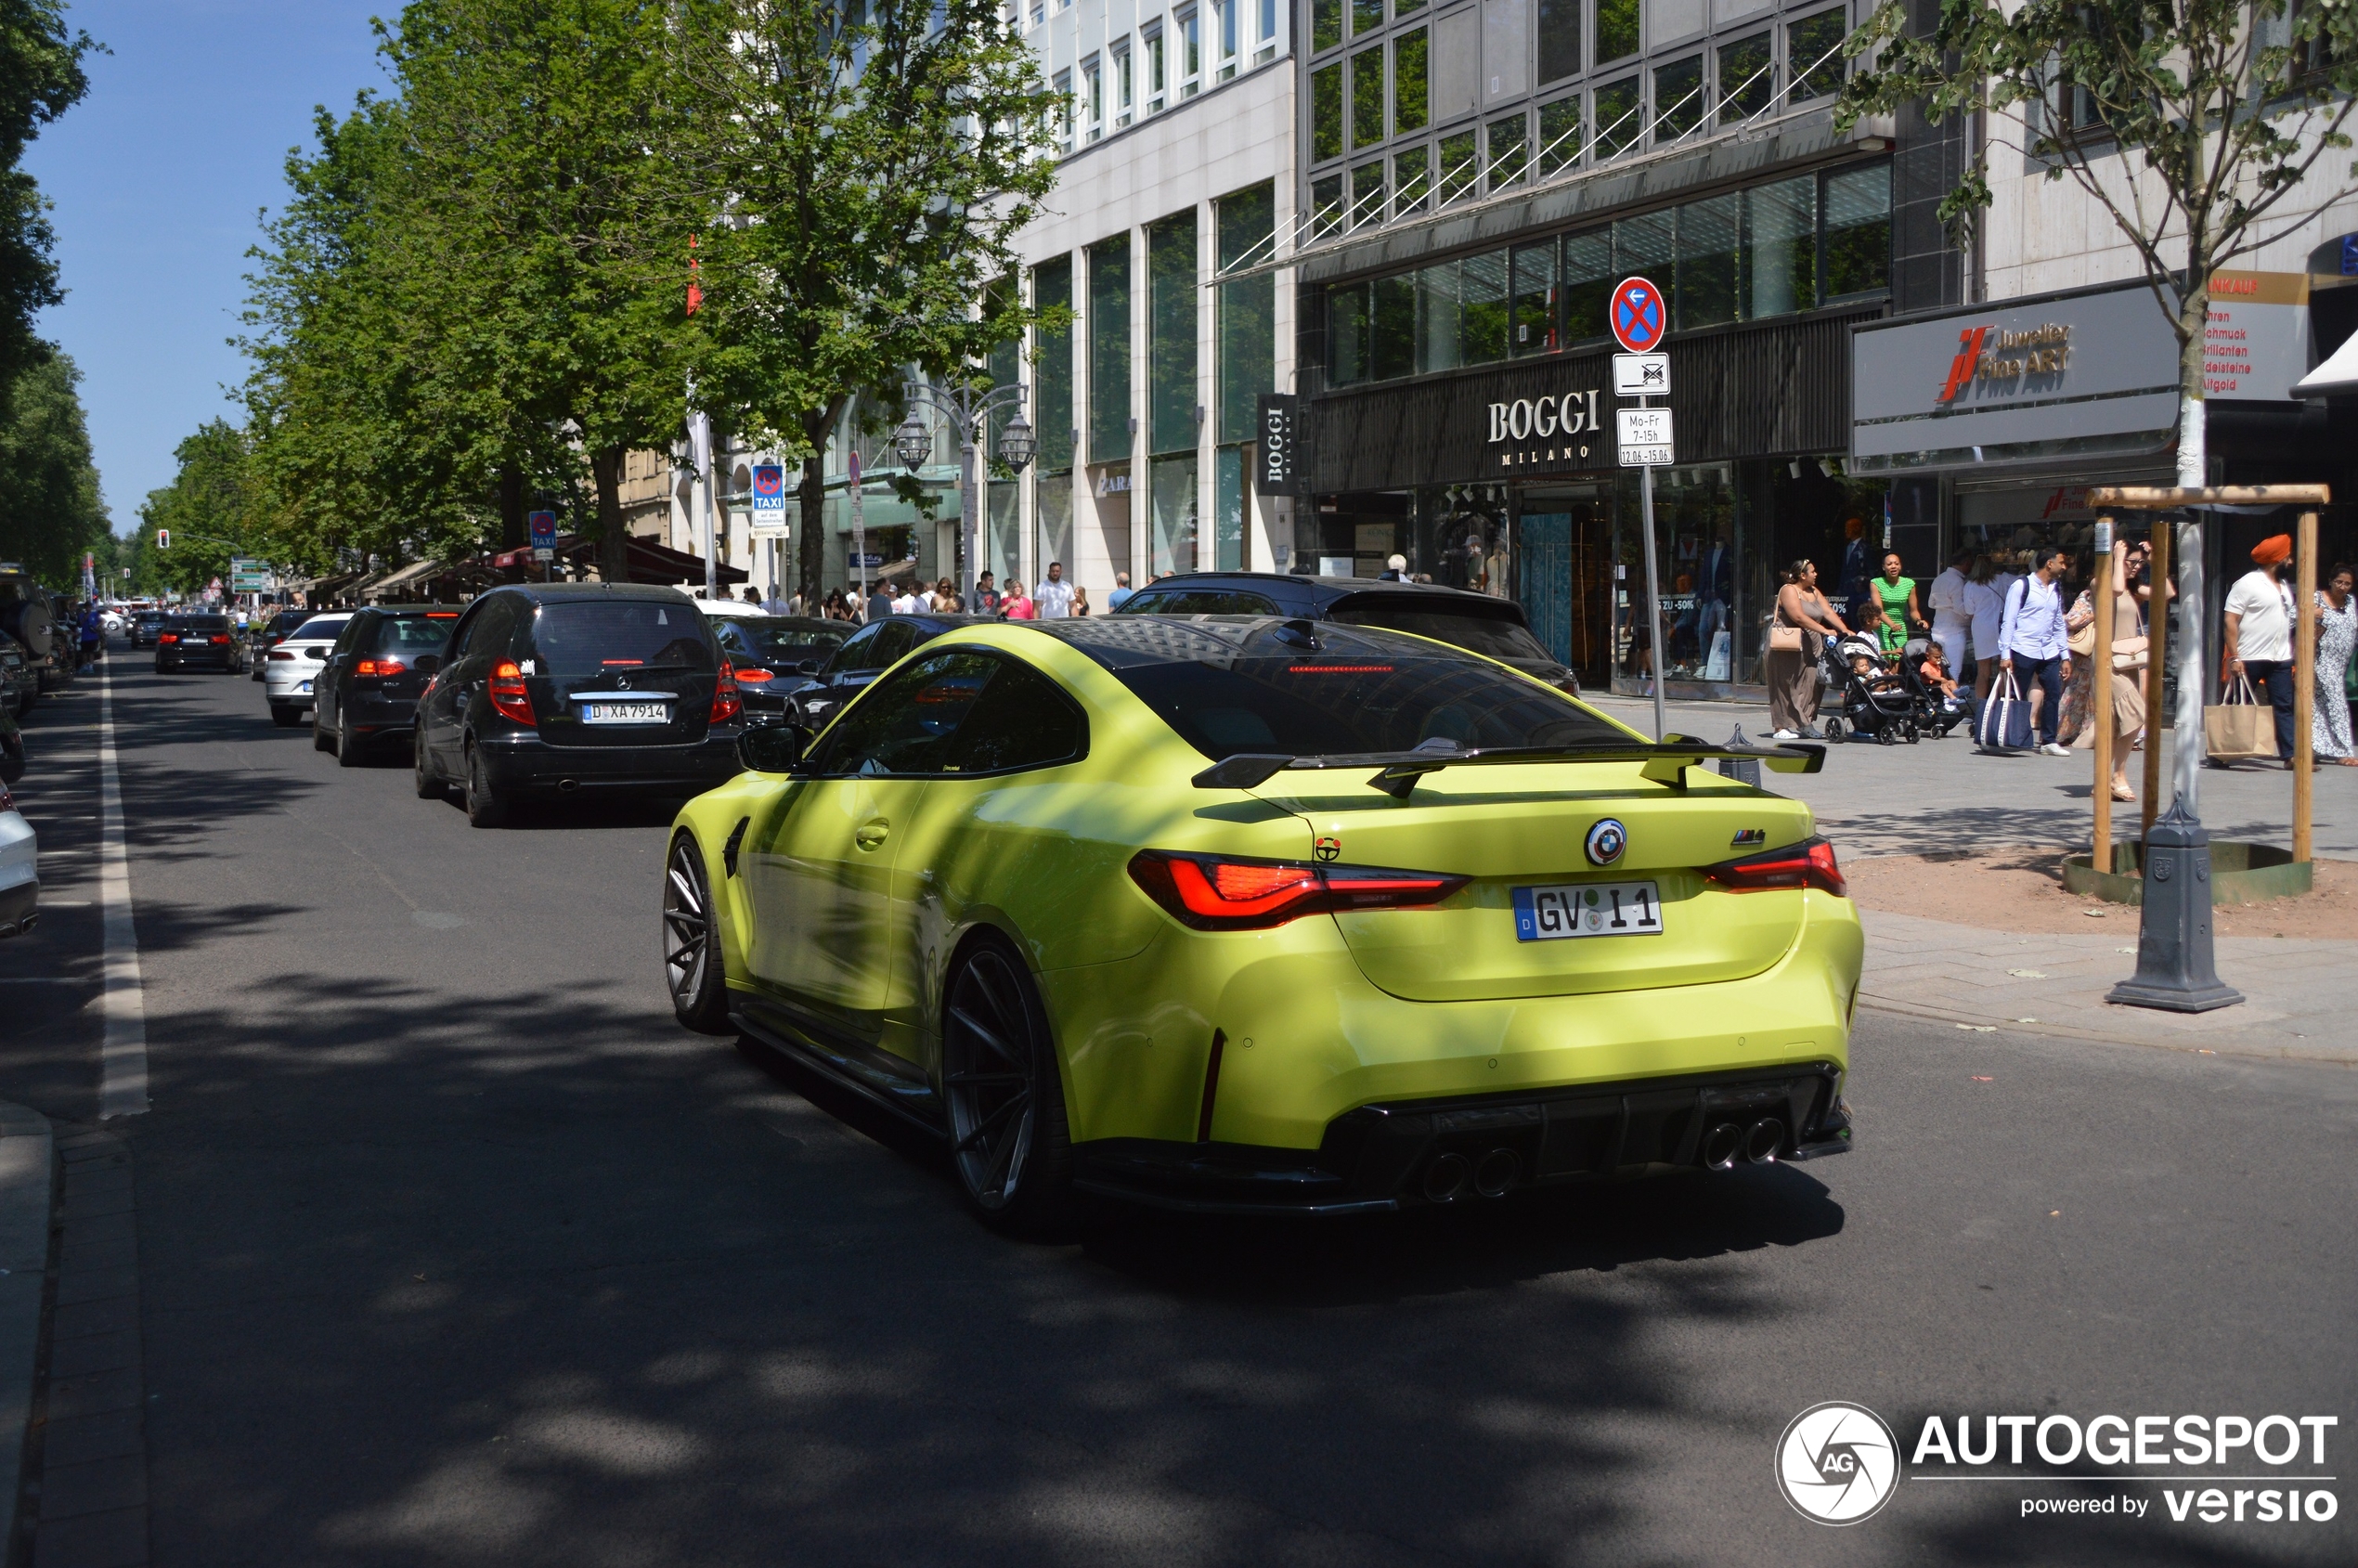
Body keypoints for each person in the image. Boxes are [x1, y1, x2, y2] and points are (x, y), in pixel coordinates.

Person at [2222, 534, 2299, 766]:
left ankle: (2290, 755)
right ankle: (2220, 750)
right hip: (2250, 656)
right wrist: (2234, 656)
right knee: (2238, 704)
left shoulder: (2283, 586)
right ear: (2277, 559)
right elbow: (2230, 621)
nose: (2291, 562)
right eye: (2287, 557)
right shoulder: (2247, 583)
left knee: (2284, 705)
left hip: (2281, 656)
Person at [1998, 544, 2075, 757]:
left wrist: (2065, 655)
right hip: (2023, 648)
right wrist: (2006, 654)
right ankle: (2011, 735)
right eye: (2061, 563)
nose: (2064, 567)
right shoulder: (2022, 586)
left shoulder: (2056, 589)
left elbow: (2058, 623)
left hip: (2048, 651)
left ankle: (2048, 740)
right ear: (2049, 564)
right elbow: (2009, 621)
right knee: (2018, 695)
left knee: (2053, 691)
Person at [1767, 559, 1847, 739]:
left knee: (1813, 681)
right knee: (1785, 683)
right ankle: (1781, 727)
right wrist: (1825, 630)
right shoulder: (1789, 590)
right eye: (1813, 571)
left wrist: (1844, 629)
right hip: (1788, 642)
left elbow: (1828, 612)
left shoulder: (1814, 591)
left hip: (1812, 643)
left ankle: (1805, 722)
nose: (1816, 574)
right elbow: (1798, 616)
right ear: (1802, 575)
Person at [2313, 563, 2356, 764]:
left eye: (2347, 583)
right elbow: (2295, 616)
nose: (2342, 586)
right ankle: (2344, 750)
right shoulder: (2317, 598)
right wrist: (2316, 615)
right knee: (2337, 702)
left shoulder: (2350, 602)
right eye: (2339, 582)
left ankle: (2316, 746)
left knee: (2320, 704)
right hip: (2320, 659)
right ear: (2330, 581)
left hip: (2341, 663)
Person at [1962, 553, 2003, 704]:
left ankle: (1981, 706)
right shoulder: (2000, 581)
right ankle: (2003, 703)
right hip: (2000, 627)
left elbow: (1969, 611)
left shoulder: (1970, 586)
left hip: (1981, 629)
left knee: (1983, 672)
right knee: (2003, 669)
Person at [1927, 547, 1976, 674]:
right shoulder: (1957, 581)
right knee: (1954, 668)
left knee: (1939, 668)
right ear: (1966, 563)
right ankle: (1951, 694)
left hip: (1937, 628)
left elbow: (1931, 604)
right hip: (1955, 631)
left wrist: (1944, 604)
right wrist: (1972, 616)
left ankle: (1944, 693)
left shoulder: (1939, 578)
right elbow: (1959, 607)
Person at [1869, 551, 1922, 656]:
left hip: (1900, 629)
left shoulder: (1909, 584)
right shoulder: (1876, 583)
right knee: (1885, 663)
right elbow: (1878, 609)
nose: (1893, 566)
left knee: (1899, 662)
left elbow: (1913, 611)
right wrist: (1891, 624)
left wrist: (1919, 621)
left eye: (1896, 564)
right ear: (1883, 567)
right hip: (1882, 627)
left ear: (1900, 566)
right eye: (1889, 564)